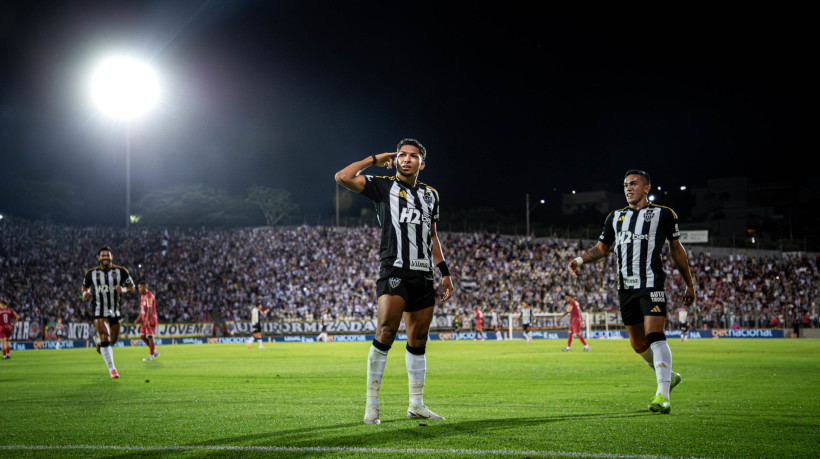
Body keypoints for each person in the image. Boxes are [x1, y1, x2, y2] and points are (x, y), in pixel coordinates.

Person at [335, 138, 454, 425]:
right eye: (402, 155)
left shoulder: (431, 195)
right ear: (396, 160)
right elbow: (342, 177)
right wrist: (374, 159)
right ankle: (372, 407)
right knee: (386, 331)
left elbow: (432, 235)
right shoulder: (383, 186)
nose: (407, 159)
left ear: (422, 163)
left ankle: (416, 405)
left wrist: (445, 271)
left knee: (419, 339)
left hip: (424, 274)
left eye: (413, 156)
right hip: (394, 271)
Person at [568, 170, 695, 414]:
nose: (628, 188)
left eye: (634, 184)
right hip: (625, 288)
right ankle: (669, 376)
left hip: (651, 284)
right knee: (638, 344)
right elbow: (601, 249)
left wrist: (689, 283)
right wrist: (579, 260)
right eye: (626, 184)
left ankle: (663, 395)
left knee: (654, 335)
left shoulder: (663, 214)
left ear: (646, 188)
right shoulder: (616, 217)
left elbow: (676, 249)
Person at [82, 247, 135, 378]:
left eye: (107, 255)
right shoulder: (91, 273)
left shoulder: (121, 271)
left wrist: (123, 290)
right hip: (99, 310)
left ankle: (98, 340)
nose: (105, 257)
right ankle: (113, 370)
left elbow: (132, 288)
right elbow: (84, 287)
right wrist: (85, 294)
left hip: (115, 311)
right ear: (98, 258)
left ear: (112, 257)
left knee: (112, 340)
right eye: (103, 255)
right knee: (105, 337)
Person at [136, 280, 160, 361]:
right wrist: (138, 318)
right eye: (138, 287)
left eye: (141, 287)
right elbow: (142, 309)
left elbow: (149, 309)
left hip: (150, 319)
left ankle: (152, 356)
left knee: (149, 336)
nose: (139, 289)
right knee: (142, 336)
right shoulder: (142, 296)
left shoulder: (149, 295)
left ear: (145, 287)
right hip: (144, 319)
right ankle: (154, 351)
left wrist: (147, 320)